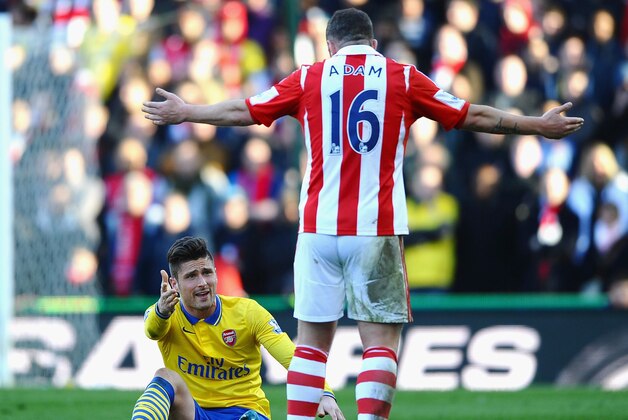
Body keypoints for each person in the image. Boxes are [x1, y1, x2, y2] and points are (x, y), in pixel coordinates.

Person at [142, 8, 584, 419]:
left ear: (330, 46)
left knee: (311, 347)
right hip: (376, 229)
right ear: (372, 43)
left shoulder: (310, 77)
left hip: (316, 229)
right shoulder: (402, 77)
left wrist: (187, 112)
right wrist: (537, 125)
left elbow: (244, 110)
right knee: (379, 347)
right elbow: (473, 115)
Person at [130, 236, 343, 420]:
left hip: (245, 410)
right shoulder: (165, 313)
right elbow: (152, 330)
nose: (202, 282)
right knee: (166, 377)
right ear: (174, 285)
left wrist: (324, 391)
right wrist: (161, 311)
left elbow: (290, 356)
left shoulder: (247, 312)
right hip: (196, 412)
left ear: (216, 274)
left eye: (206, 272)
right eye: (191, 276)